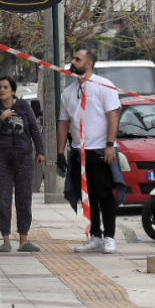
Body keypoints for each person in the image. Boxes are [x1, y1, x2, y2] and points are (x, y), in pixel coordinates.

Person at [56, 48, 121, 253]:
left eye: (77, 59)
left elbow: (113, 116)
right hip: (79, 153)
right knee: (87, 195)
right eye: (73, 59)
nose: (73, 62)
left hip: (100, 150)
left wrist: (109, 145)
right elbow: (63, 123)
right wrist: (60, 152)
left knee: (104, 194)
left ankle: (109, 236)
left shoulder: (104, 86)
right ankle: (95, 236)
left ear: (89, 64)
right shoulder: (68, 93)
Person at [0, 76, 45, 253]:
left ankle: (24, 239)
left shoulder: (23, 106)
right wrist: (1, 117)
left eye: (5, 87)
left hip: (24, 156)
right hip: (2, 156)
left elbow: (34, 129)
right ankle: (5, 239)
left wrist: (40, 151)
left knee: (24, 198)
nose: (2, 90)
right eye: (0, 87)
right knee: (3, 199)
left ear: (12, 90)